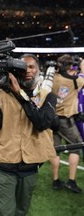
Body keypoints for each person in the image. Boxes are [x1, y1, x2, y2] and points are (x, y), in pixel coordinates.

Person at [0, 54, 57, 216]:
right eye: (24, 67)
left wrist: (19, 95)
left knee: (21, 211)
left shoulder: (47, 96)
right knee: (5, 212)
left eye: (32, 67)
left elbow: (42, 123)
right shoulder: (3, 94)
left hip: (30, 168)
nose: (28, 70)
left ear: (39, 70)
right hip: (5, 166)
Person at [50, 54, 84, 193]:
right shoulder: (77, 81)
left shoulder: (53, 78)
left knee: (55, 149)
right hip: (66, 120)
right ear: (71, 66)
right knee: (75, 147)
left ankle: (56, 180)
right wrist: (82, 64)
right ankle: (71, 181)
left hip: (52, 119)